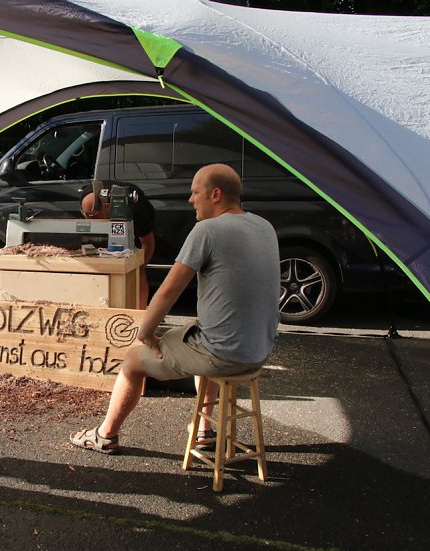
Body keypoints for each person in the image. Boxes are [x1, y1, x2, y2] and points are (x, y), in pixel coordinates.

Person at [71, 164, 279, 454]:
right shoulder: (263, 226)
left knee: (132, 361)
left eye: (195, 192)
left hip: (223, 355)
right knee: (197, 333)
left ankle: (105, 435)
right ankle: (204, 430)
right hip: (258, 352)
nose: (190, 200)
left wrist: (145, 333)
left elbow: (169, 290)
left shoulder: (207, 230)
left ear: (215, 194)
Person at [79, 184, 155, 308]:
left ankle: (141, 313)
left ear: (107, 206)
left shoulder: (136, 209)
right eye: (86, 215)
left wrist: (138, 266)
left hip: (134, 217)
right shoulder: (86, 198)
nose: (89, 220)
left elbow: (148, 243)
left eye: (94, 216)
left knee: (139, 273)